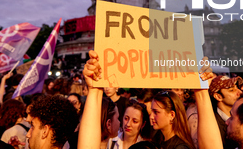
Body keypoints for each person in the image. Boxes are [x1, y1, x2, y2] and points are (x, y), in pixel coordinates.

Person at [78, 50, 223, 149]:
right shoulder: (157, 140)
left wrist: (202, 92)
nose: (151, 116)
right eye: (126, 118)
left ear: (172, 115)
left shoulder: (178, 146)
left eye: (156, 111)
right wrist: (95, 89)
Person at [209, 75, 242, 149]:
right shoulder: (213, 125)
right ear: (218, 96)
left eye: (238, 88)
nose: (240, 92)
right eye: (231, 90)